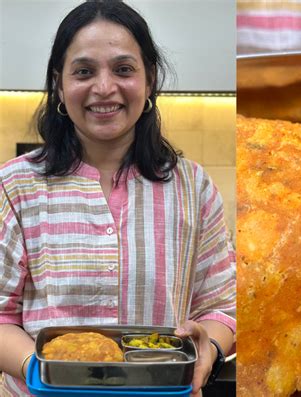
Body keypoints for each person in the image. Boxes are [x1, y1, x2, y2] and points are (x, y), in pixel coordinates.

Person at [0, 1, 236, 396]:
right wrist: (47, 371)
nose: (104, 88)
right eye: (84, 71)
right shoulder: (14, 185)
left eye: (124, 69)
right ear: (59, 83)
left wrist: (208, 347)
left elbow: (221, 307)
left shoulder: (194, 188)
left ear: (150, 79)